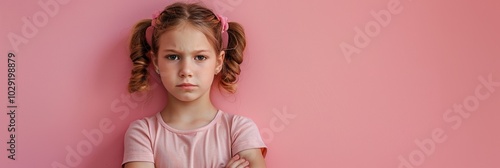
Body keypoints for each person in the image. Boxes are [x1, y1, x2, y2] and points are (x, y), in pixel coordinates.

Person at [122, 2, 267, 168]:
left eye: (200, 57)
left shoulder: (239, 130)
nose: (186, 71)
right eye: (173, 57)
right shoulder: (143, 133)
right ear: (156, 62)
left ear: (219, 62)